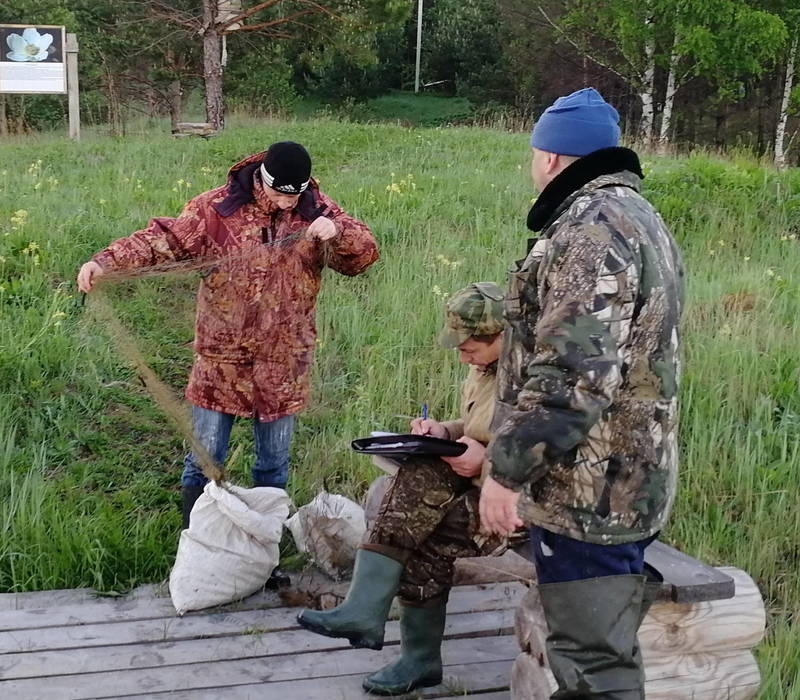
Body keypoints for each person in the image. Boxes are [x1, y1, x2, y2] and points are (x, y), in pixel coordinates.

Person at [479, 87, 685, 699]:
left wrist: (505, 471)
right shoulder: (638, 216)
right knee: (597, 656)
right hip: (623, 478)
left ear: (550, 157)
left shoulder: (592, 229)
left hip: (592, 492)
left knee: (595, 669)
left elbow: (572, 376)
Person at [77, 142, 379, 533]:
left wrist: (337, 232)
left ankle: (265, 541)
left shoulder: (316, 210)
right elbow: (162, 239)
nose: (288, 204)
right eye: (279, 194)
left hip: (284, 361)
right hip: (220, 360)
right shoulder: (217, 208)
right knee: (205, 458)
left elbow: (364, 254)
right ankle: (198, 540)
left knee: (273, 462)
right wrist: (104, 261)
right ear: (262, 180)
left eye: (295, 195)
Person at [297, 282, 523, 696]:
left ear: (503, 336)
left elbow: (554, 452)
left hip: (517, 496)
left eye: (469, 347)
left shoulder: (534, 378)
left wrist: (487, 462)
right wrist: (444, 431)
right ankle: (366, 611)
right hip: (476, 480)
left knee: (428, 534)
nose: (461, 356)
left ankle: (416, 656)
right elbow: (477, 427)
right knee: (418, 470)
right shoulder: (485, 367)